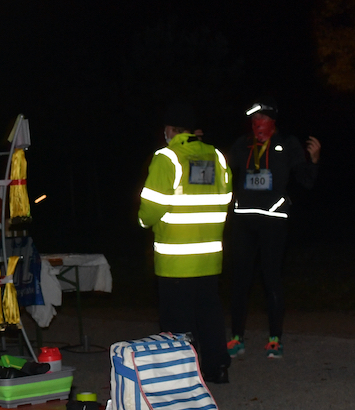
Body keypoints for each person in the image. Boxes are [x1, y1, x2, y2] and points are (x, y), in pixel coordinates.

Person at [138, 101, 233, 383]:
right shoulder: (216, 156)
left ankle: (181, 376)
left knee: (176, 321)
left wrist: (144, 222)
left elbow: (151, 207)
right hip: (210, 256)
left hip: (176, 259)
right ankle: (217, 368)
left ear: (170, 130)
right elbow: (226, 198)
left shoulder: (167, 158)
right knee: (209, 314)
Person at [225, 98, 321, 359]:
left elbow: (306, 181)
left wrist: (313, 160)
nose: (257, 125)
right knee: (240, 280)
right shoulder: (242, 144)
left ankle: (275, 339)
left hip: (273, 220)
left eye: (262, 120)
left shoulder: (288, 144)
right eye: (254, 121)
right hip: (244, 219)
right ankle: (236, 338)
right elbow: (224, 171)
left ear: (273, 122)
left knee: (271, 279)